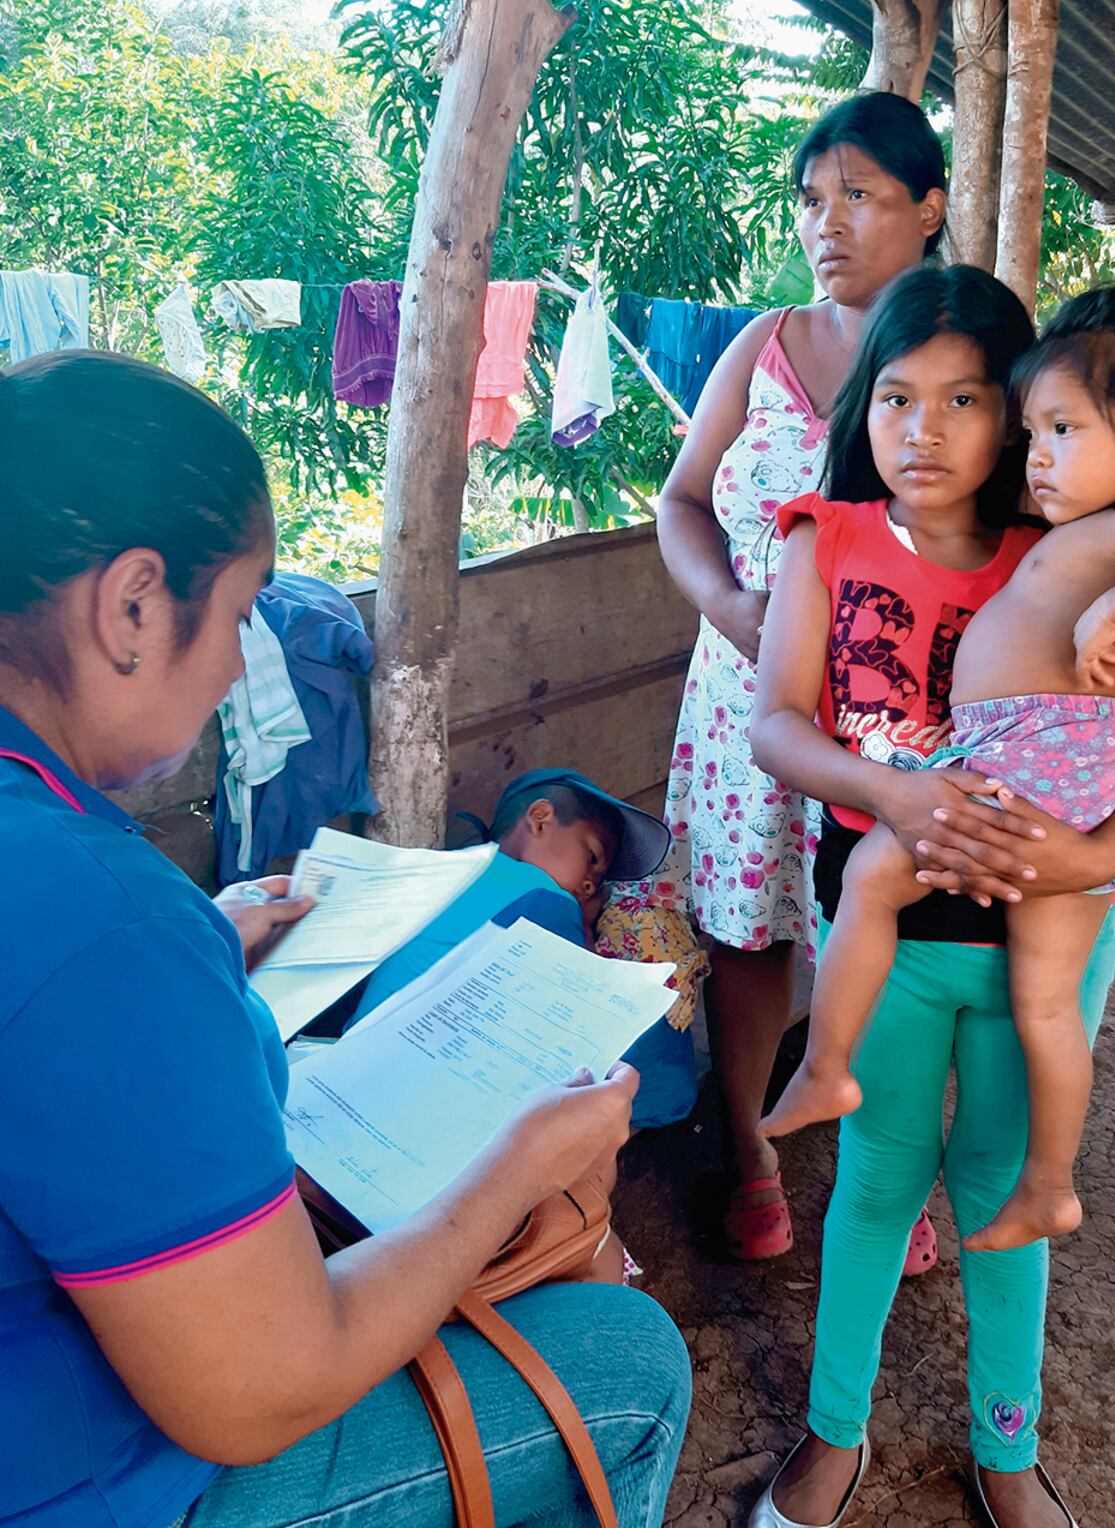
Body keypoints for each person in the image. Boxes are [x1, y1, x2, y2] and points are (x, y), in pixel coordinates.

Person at [0, 352, 691, 1528]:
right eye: (237, 610)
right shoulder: (104, 918)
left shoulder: (78, 882)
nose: (233, 664)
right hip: (80, 1483)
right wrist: (516, 1165)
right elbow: (262, 1392)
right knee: (627, 1361)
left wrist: (208, 959)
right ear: (129, 606)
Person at [747, 267, 1115, 1528]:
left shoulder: (1064, 558)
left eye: (966, 400)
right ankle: (836, 1432)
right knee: (878, 1174)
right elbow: (778, 724)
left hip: (1041, 933)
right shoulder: (822, 540)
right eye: (894, 397)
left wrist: (1095, 863)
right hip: (894, 933)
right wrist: (894, 798)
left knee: (1002, 1185)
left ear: (1019, 414)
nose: (923, 430)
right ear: (863, 409)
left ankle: (1008, 1442)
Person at [653, 91, 955, 1261]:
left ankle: (891, 1181)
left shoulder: (962, 359)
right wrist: (732, 609)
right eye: (810, 201)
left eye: (860, 196)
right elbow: (681, 502)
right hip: (741, 702)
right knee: (748, 933)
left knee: (896, 938)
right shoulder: (766, 341)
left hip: (891, 719)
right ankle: (751, 1151)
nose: (825, 224)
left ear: (927, 210)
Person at [347, 768, 701, 1132]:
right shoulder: (539, 895)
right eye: (592, 858)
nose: (589, 885)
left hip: (356, 1076)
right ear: (541, 819)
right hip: (409, 1106)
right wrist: (585, 930)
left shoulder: (459, 870)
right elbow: (663, 1082)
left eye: (598, 882)